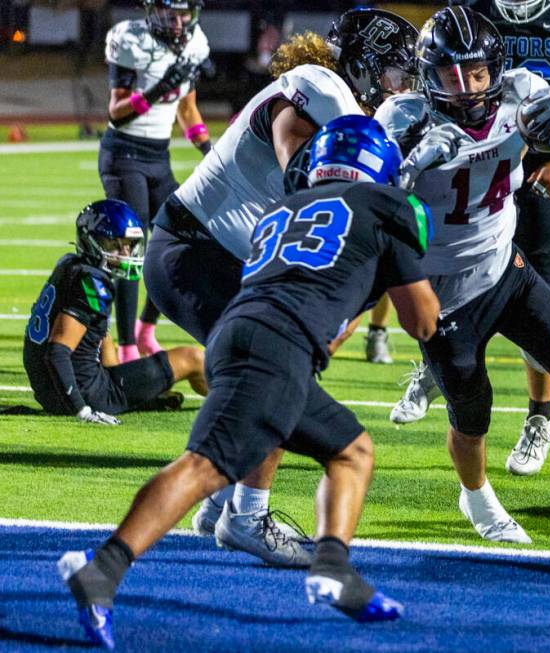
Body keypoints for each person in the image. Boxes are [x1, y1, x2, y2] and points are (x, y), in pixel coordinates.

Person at [58, 116, 440, 649]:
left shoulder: (282, 210)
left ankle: (333, 567)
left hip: (238, 332)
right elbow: (421, 322)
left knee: (352, 450)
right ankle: (103, 569)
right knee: (204, 467)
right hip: (276, 346)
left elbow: (325, 300)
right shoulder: (387, 207)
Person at [141, 8, 419, 566]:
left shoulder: (335, 95)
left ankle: (220, 502)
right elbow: (301, 172)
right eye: (392, 73)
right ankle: (246, 516)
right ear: (364, 63)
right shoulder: (321, 86)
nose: (398, 88)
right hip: (198, 252)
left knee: (267, 374)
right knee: (274, 370)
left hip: (216, 256)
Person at [376, 7, 550, 543]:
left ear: (494, 69)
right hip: (443, 297)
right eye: (448, 75)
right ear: (425, 74)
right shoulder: (403, 118)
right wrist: (409, 165)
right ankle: (478, 499)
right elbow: (368, 201)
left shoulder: (520, 92)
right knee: (472, 412)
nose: (463, 88)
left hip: (506, 272)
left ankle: (463, 390)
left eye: (476, 73)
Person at [23, 200, 207, 424]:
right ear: (92, 241)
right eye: (115, 245)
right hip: (83, 393)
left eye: (129, 244)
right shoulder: (92, 282)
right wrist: (82, 411)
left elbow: (98, 334)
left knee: (102, 332)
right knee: (193, 358)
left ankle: (137, 397)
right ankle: (243, 402)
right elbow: (57, 351)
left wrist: (125, 379)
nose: (125, 252)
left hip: (54, 390)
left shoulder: (70, 265)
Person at [100, 0, 211, 363]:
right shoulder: (131, 39)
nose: (178, 22)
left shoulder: (195, 43)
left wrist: (210, 151)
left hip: (158, 158)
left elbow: (186, 109)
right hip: (123, 155)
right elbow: (117, 113)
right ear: (153, 11)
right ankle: (127, 346)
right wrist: (156, 89)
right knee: (132, 249)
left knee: (184, 238)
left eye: (184, 14)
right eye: (171, 13)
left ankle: (147, 329)